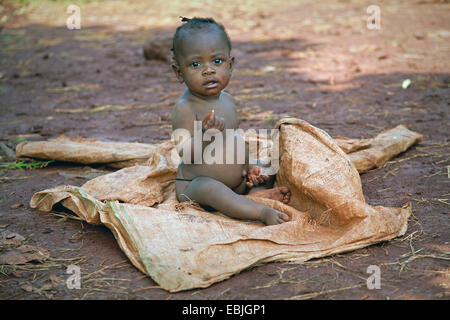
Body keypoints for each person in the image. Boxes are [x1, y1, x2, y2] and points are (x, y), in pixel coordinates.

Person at [170, 17, 291, 225]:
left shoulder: (227, 100)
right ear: (179, 73)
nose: (208, 70)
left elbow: (233, 140)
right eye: (196, 64)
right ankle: (259, 211)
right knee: (210, 188)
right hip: (196, 186)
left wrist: (250, 166)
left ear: (230, 64)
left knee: (269, 166)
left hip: (237, 182)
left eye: (217, 61)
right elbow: (187, 155)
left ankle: (252, 194)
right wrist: (206, 136)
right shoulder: (185, 107)